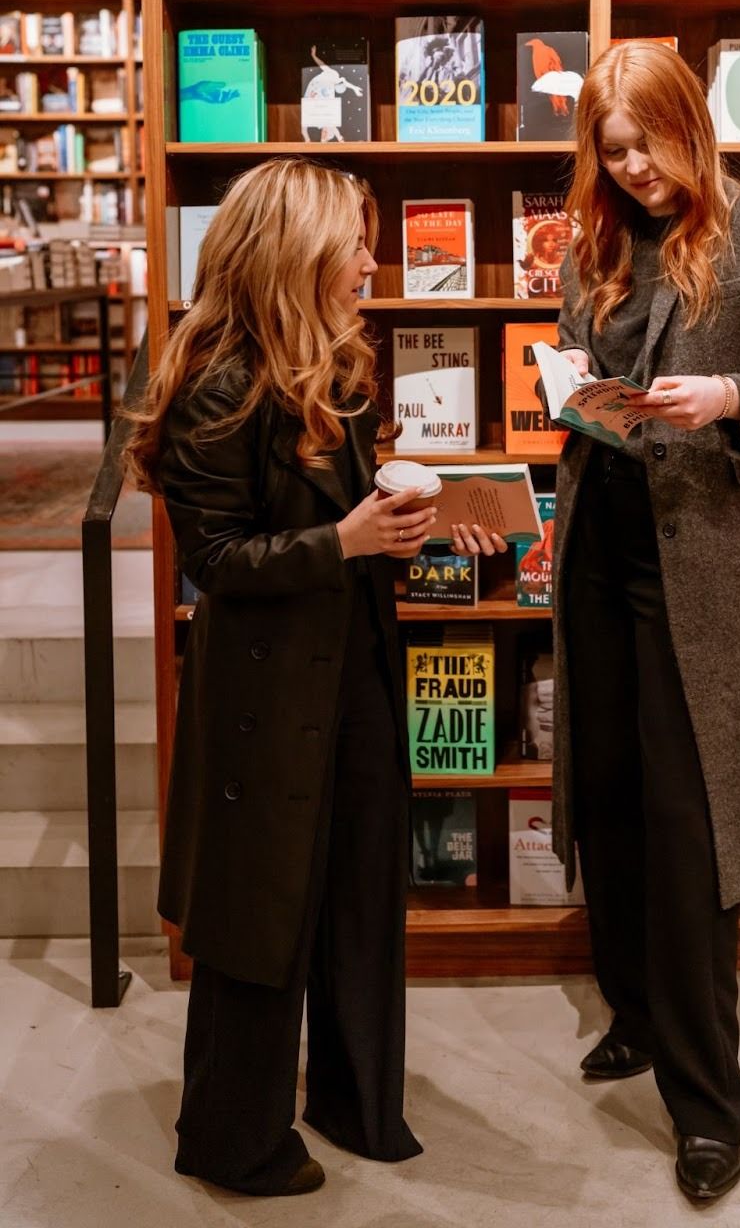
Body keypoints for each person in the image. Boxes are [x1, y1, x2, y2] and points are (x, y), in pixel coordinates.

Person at [544, 41, 740, 1203]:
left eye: (646, 148)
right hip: (599, 556)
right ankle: (635, 1011)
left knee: (691, 834)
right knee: (610, 805)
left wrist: (728, 398)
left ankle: (708, 1102)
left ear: (689, 126)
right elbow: (581, 363)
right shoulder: (597, 240)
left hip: (703, 582)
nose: (631, 171)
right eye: (611, 154)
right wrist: (560, 379)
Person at [125, 158, 428, 1197]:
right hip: (264, 703)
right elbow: (214, 564)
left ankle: (353, 1100)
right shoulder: (217, 381)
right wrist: (343, 542)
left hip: (348, 673)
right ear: (294, 252)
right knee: (260, 920)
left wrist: (398, 529)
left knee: (354, 893)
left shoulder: (334, 367)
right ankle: (232, 1138)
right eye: (353, 241)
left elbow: (334, 529)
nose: (369, 261)